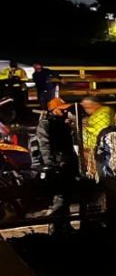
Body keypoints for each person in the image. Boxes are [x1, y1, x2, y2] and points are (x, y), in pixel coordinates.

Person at [30, 98, 79, 234]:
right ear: (54, 110)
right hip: (58, 165)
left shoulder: (60, 124)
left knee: (66, 195)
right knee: (60, 196)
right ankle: (56, 227)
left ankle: (63, 224)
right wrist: (51, 165)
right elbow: (45, 145)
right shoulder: (46, 124)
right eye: (62, 109)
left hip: (66, 163)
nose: (65, 112)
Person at [80, 96, 114, 178]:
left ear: (95, 104)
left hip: (98, 147)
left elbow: (100, 129)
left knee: (99, 171)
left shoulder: (105, 112)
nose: (86, 109)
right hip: (90, 147)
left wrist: (84, 126)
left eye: (87, 107)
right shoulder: (94, 115)